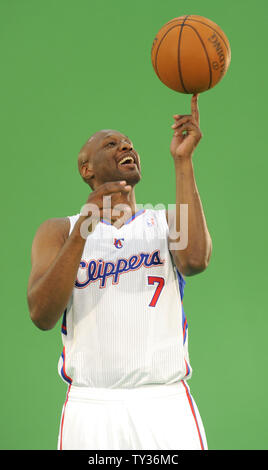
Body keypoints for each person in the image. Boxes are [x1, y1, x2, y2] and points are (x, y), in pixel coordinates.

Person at [27, 94, 212, 450]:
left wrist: (183, 160)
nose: (125, 146)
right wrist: (85, 227)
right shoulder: (59, 231)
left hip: (165, 404)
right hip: (91, 408)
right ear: (87, 169)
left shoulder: (166, 221)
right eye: (111, 144)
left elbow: (196, 260)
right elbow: (41, 314)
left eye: (129, 143)